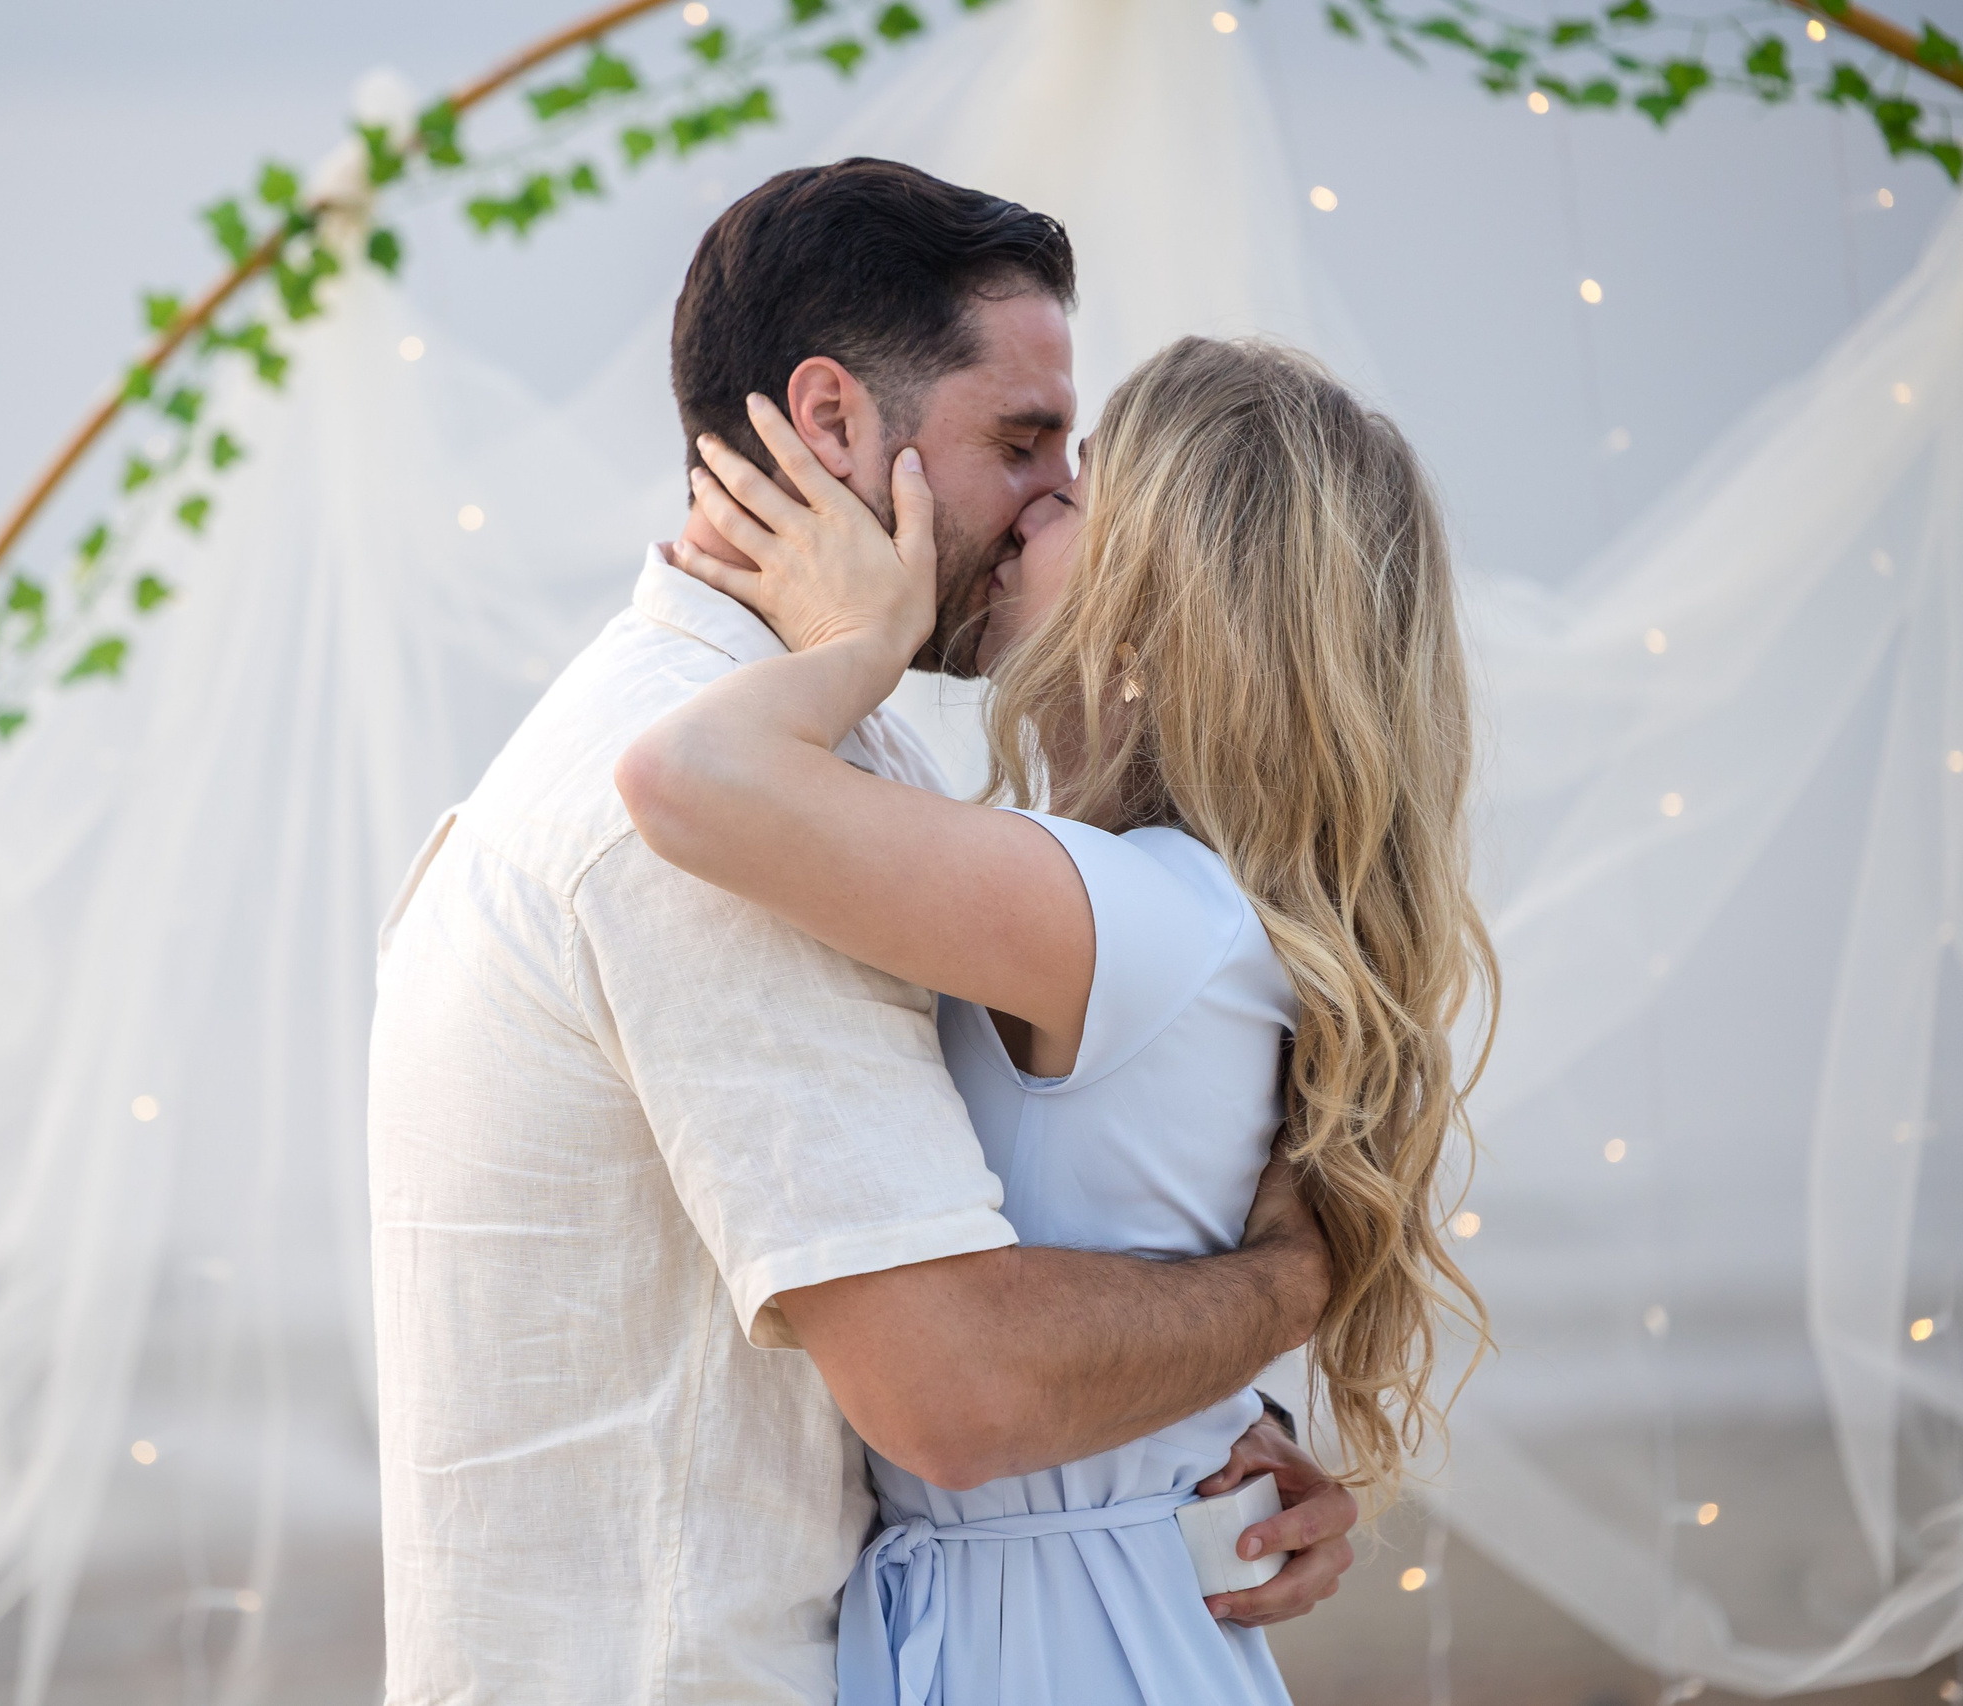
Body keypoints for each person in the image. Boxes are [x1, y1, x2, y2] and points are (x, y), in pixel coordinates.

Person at [366, 161, 1358, 1706]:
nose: (1050, 504)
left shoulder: (786, 762)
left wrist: (1196, 1459)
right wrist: (1287, 1284)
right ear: (833, 421)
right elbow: (956, 1391)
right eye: (1020, 444)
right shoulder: (705, 834)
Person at [616, 336, 1495, 1703]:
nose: (1028, 510)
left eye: (1075, 494)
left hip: (1061, 1641)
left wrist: (863, 643)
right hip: (1077, 1609)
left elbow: (688, 774)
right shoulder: (1177, 909)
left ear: (1158, 604)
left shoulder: (1140, 911)